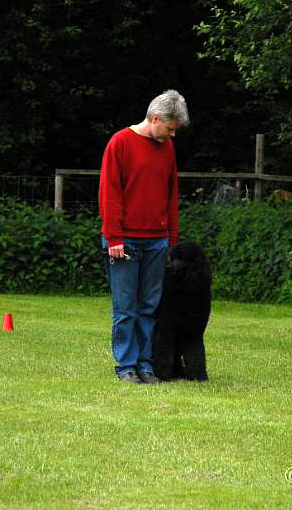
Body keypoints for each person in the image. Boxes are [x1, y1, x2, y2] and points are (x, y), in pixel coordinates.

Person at [98, 89, 190, 384]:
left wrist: (171, 241)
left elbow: (171, 194)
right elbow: (109, 193)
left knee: (150, 306)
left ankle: (145, 364)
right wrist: (114, 237)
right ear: (154, 118)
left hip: (157, 241)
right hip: (124, 241)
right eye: (170, 128)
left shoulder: (167, 149)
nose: (172, 135)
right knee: (125, 307)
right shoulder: (120, 143)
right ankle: (125, 366)